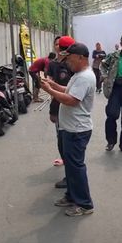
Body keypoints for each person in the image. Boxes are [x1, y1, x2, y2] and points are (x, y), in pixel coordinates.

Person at [41, 43, 96, 217]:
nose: (67, 62)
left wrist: (50, 90)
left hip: (76, 130)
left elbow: (72, 100)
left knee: (76, 168)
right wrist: (54, 84)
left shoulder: (85, 77)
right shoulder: (78, 75)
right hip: (70, 129)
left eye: (69, 58)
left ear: (81, 57)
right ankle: (72, 196)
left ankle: (85, 204)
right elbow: (68, 90)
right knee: (71, 168)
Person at [47, 35, 76, 188]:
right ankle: (70, 175)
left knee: (69, 145)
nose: (59, 48)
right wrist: (52, 110)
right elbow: (53, 87)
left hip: (70, 109)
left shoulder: (74, 67)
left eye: (62, 46)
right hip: (58, 106)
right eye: (57, 45)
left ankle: (72, 179)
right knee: (61, 140)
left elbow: (70, 91)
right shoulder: (53, 64)